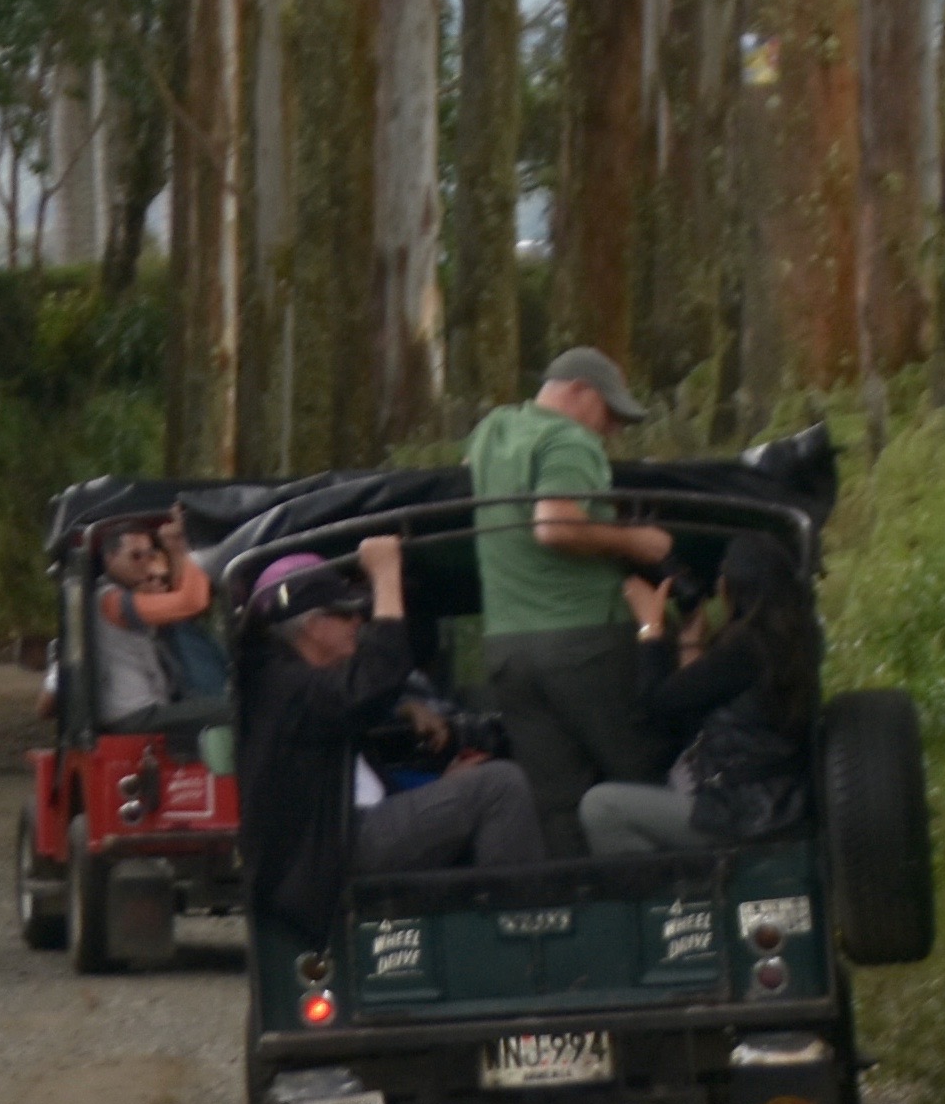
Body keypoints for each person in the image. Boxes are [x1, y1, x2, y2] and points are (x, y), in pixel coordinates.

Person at [239, 534, 545, 954]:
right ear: (313, 626)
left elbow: (362, 704)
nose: (358, 623)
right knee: (501, 787)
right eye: (346, 615)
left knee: (479, 779)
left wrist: (429, 763)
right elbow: (377, 676)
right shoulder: (286, 686)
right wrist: (385, 577)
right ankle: (518, 947)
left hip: (345, 833)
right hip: (336, 848)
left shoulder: (291, 683)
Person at [462, 345, 679, 851]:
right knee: (639, 773)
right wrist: (637, 543)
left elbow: (471, 467)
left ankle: (579, 913)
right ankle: (663, 910)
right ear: (580, 392)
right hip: (584, 642)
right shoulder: (569, 439)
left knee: (556, 801)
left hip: (507, 649)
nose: (613, 432)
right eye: (612, 414)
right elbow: (554, 526)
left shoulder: (494, 430)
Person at [575, 531, 822, 856]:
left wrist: (650, 629)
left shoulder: (746, 648)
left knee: (601, 806)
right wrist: (691, 640)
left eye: (723, 575)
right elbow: (695, 700)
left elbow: (655, 705)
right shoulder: (790, 644)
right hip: (771, 804)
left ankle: (660, 898)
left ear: (738, 583)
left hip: (738, 811)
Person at [86, 512, 222, 724]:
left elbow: (181, 604)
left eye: (149, 555)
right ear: (110, 559)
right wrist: (195, 546)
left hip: (151, 708)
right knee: (236, 710)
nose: (145, 563)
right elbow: (191, 602)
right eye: (135, 556)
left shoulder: (127, 595)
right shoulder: (110, 600)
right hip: (135, 715)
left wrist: (175, 548)